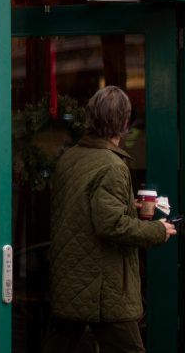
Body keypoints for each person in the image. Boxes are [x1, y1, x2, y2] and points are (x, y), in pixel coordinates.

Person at [42, 86, 177, 352]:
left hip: (71, 280)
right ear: (125, 122)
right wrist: (158, 231)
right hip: (102, 288)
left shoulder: (70, 157)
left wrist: (128, 203)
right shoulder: (112, 166)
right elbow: (111, 225)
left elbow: (82, 208)